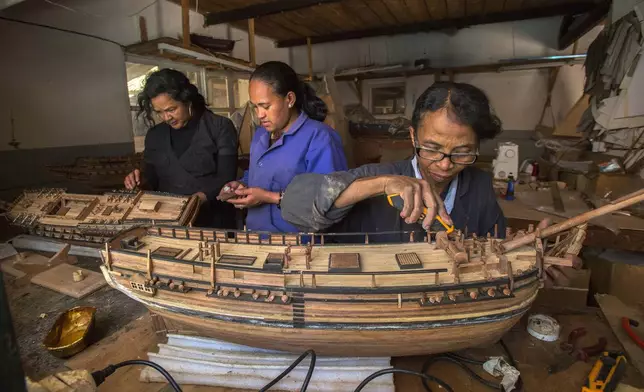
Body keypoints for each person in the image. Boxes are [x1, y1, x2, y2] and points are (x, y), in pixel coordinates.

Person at [280, 81, 580, 285]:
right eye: (433, 148)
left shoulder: (477, 187)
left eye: (463, 152)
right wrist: (380, 185)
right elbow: (292, 205)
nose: (446, 164)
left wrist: (532, 259)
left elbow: (496, 251)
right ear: (413, 137)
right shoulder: (377, 177)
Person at [217, 61, 347, 233]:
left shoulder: (320, 137)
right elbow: (258, 176)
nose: (259, 115)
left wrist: (270, 198)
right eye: (255, 107)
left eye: (265, 106)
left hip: (300, 244)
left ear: (290, 99)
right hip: (257, 236)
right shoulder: (261, 135)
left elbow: (332, 199)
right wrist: (241, 185)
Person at [123, 68, 238, 228]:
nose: (166, 117)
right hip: (168, 220)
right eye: (159, 112)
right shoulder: (155, 135)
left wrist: (197, 200)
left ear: (187, 101)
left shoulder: (219, 127)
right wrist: (140, 179)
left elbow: (227, 178)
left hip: (213, 220)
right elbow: (152, 178)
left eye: (171, 109)